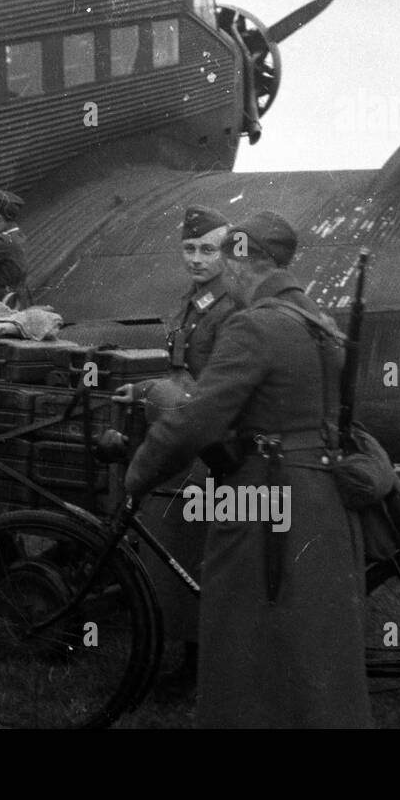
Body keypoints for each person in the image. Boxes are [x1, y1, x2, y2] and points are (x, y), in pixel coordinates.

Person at [123, 211, 371, 728]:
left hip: (265, 498)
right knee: (309, 645)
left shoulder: (254, 325)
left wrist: (137, 475)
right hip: (317, 496)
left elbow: (195, 419)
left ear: (242, 258)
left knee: (244, 638)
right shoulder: (314, 319)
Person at [138, 205, 244, 696]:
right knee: (177, 548)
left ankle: (200, 664)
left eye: (208, 249)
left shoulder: (232, 307)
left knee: (196, 555)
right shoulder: (195, 300)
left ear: (227, 250)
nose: (197, 258)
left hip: (209, 445)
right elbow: (181, 370)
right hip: (187, 437)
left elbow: (218, 388)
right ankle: (189, 653)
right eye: (189, 249)